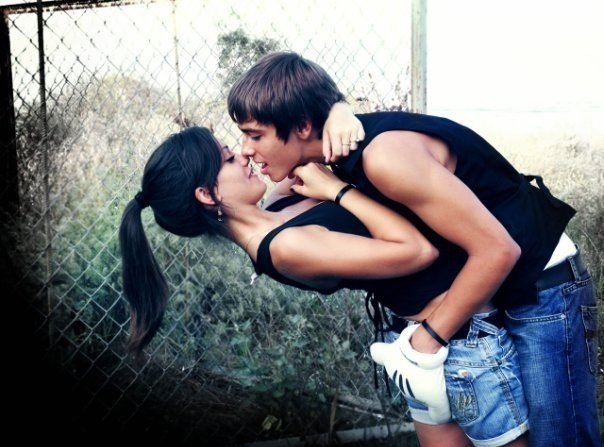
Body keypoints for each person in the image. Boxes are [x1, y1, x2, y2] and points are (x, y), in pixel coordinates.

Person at [226, 52, 600, 447]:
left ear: (303, 126)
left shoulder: (384, 157)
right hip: (497, 289)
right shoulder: (338, 154)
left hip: (544, 285)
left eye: (255, 135)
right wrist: (337, 106)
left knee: (562, 439)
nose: (245, 149)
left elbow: (497, 250)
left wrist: (427, 340)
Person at [119, 124, 529, 447]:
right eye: (228, 158)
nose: (244, 154)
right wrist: (338, 191)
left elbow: (304, 148)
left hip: (422, 338)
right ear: (207, 195)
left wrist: (336, 115)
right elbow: (416, 250)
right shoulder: (283, 248)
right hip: (456, 341)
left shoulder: (277, 206)